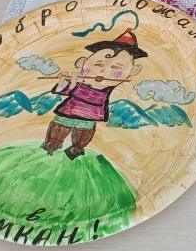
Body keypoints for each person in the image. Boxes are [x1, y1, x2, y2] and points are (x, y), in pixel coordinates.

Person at [42, 28, 147, 159]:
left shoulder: (104, 88)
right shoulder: (80, 82)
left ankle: (77, 148)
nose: (103, 71)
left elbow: (72, 90)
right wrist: (64, 80)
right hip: (70, 109)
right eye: (98, 64)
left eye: (115, 67)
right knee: (61, 124)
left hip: (92, 113)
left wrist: (73, 82)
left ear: (133, 71)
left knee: (84, 130)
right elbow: (65, 90)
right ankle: (52, 144)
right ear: (81, 63)